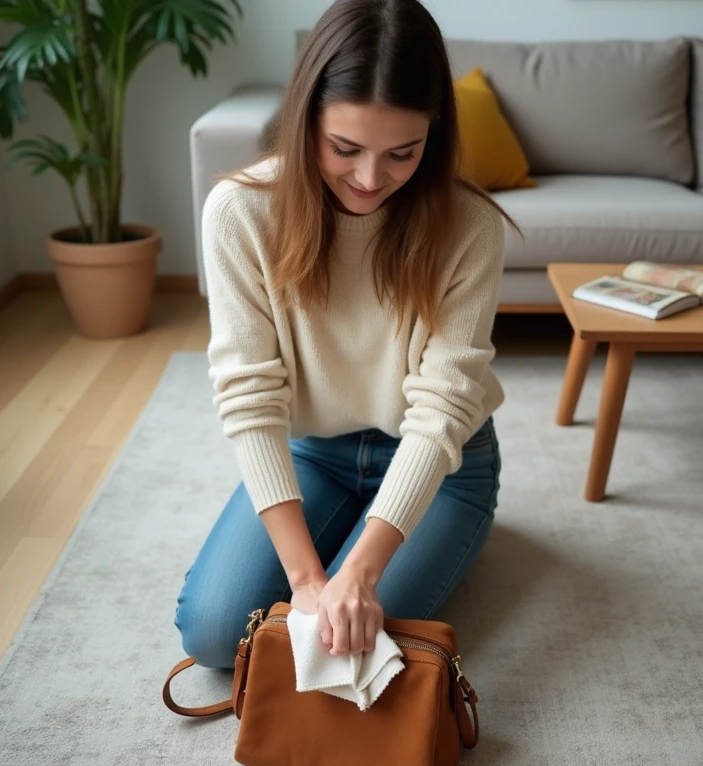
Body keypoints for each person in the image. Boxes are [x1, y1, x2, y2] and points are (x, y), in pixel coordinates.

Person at [173, 0, 518, 669]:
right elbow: (249, 395)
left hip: (442, 465)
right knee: (215, 637)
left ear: (433, 135)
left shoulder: (471, 226)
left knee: (351, 644)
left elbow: (444, 406)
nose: (369, 179)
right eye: (345, 148)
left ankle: (434, 533)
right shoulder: (241, 211)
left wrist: (357, 575)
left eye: (402, 154)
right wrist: (308, 581)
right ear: (307, 122)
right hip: (315, 453)